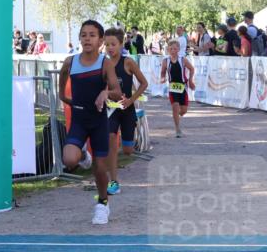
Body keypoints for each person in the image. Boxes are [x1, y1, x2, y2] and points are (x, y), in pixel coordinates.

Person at [58, 20, 122, 225]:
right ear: (79, 39)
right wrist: (62, 96)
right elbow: (62, 77)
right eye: (84, 34)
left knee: (100, 169)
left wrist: (105, 92)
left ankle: (102, 204)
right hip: (79, 119)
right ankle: (83, 154)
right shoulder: (70, 62)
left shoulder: (105, 63)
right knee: (69, 160)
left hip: (98, 122)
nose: (87, 38)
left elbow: (117, 91)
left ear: (101, 40)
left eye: (92, 35)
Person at [103, 28, 149, 196]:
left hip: (127, 109)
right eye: (106, 44)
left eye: (113, 44)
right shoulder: (103, 64)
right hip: (111, 110)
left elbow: (144, 83)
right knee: (111, 141)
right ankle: (113, 181)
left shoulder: (128, 62)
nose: (110, 48)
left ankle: (130, 139)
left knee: (128, 150)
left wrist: (131, 100)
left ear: (121, 44)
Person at [160, 39, 195, 138]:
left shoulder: (182, 59)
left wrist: (191, 80)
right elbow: (163, 72)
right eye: (171, 49)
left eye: (175, 48)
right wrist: (162, 78)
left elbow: (192, 69)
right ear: (168, 50)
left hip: (183, 87)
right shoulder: (165, 61)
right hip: (172, 88)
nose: (173, 50)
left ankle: (177, 116)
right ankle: (177, 129)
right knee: (175, 107)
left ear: (178, 49)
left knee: (183, 111)